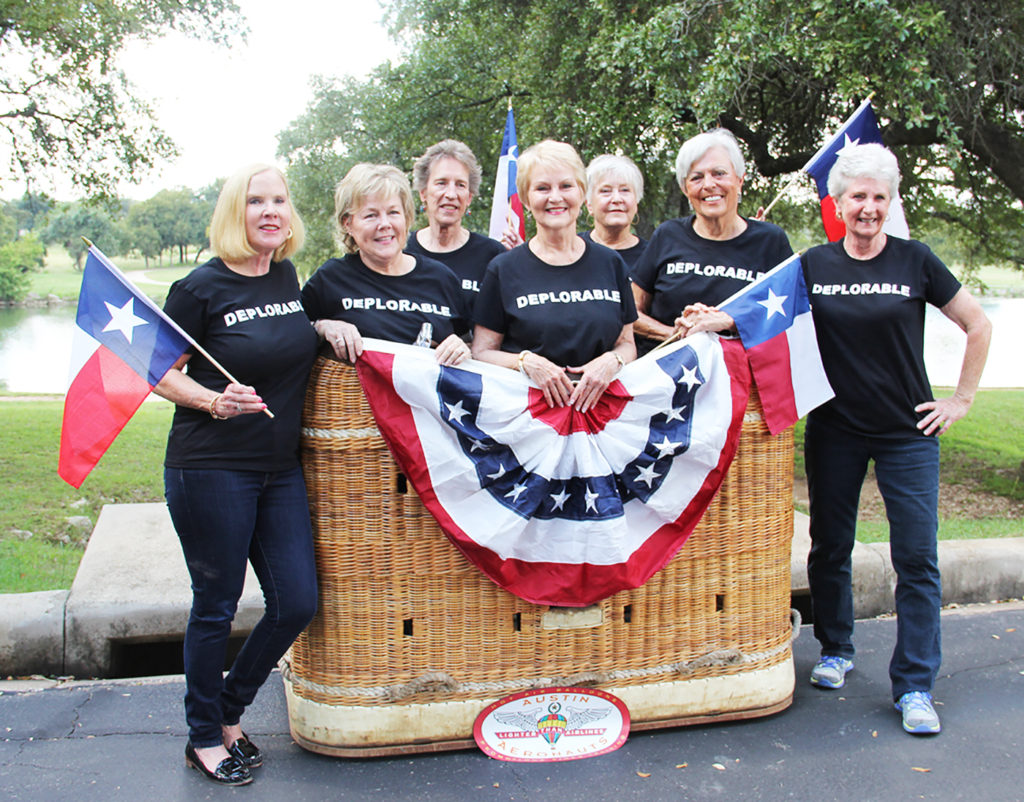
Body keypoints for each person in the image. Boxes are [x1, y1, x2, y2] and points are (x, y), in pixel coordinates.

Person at [156, 164, 319, 786]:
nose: (270, 211)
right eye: (256, 201)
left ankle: (226, 710)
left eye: (279, 200)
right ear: (235, 212)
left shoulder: (284, 274)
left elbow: (294, 343)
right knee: (216, 606)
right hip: (211, 467)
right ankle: (203, 737)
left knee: (296, 601)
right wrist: (211, 399)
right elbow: (159, 371)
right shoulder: (199, 288)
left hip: (279, 469)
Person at [472, 140, 637, 414]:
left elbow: (627, 343)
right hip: (529, 420)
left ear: (582, 192)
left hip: (606, 418)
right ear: (525, 199)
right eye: (542, 188)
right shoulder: (503, 269)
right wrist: (526, 362)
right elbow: (481, 352)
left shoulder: (611, 263)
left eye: (566, 186)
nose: (555, 197)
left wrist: (612, 361)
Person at [630, 128, 792, 354]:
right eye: (697, 177)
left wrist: (728, 321)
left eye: (719, 173)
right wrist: (674, 334)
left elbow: (791, 313)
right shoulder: (667, 235)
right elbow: (630, 311)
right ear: (685, 188)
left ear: (739, 180)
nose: (708, 184)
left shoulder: (770, 241)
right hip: (669, 376)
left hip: (741, 381)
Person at [301, 162, 471, 365]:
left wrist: (462, 348)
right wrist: (322, 326)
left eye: (393, 213)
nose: (385, 224)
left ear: (407, 218)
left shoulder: (441, 278)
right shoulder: (330, 278)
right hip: (352, 395)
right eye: (371, 215)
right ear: (348, 224)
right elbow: (291, 335)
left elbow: (469, 342)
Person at [405, 139, 505, 319]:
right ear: (423, 193)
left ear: (469, 197)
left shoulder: (493, 255)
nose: (451, 194)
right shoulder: (401, 250)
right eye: (441, 183)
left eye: (460, 185)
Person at [581, 154, 648, 270]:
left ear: (636, 202)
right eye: (606, 191)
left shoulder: (651, 255)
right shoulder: (572, 251)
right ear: (589, 204)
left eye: (625, 190)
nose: (617, 199)